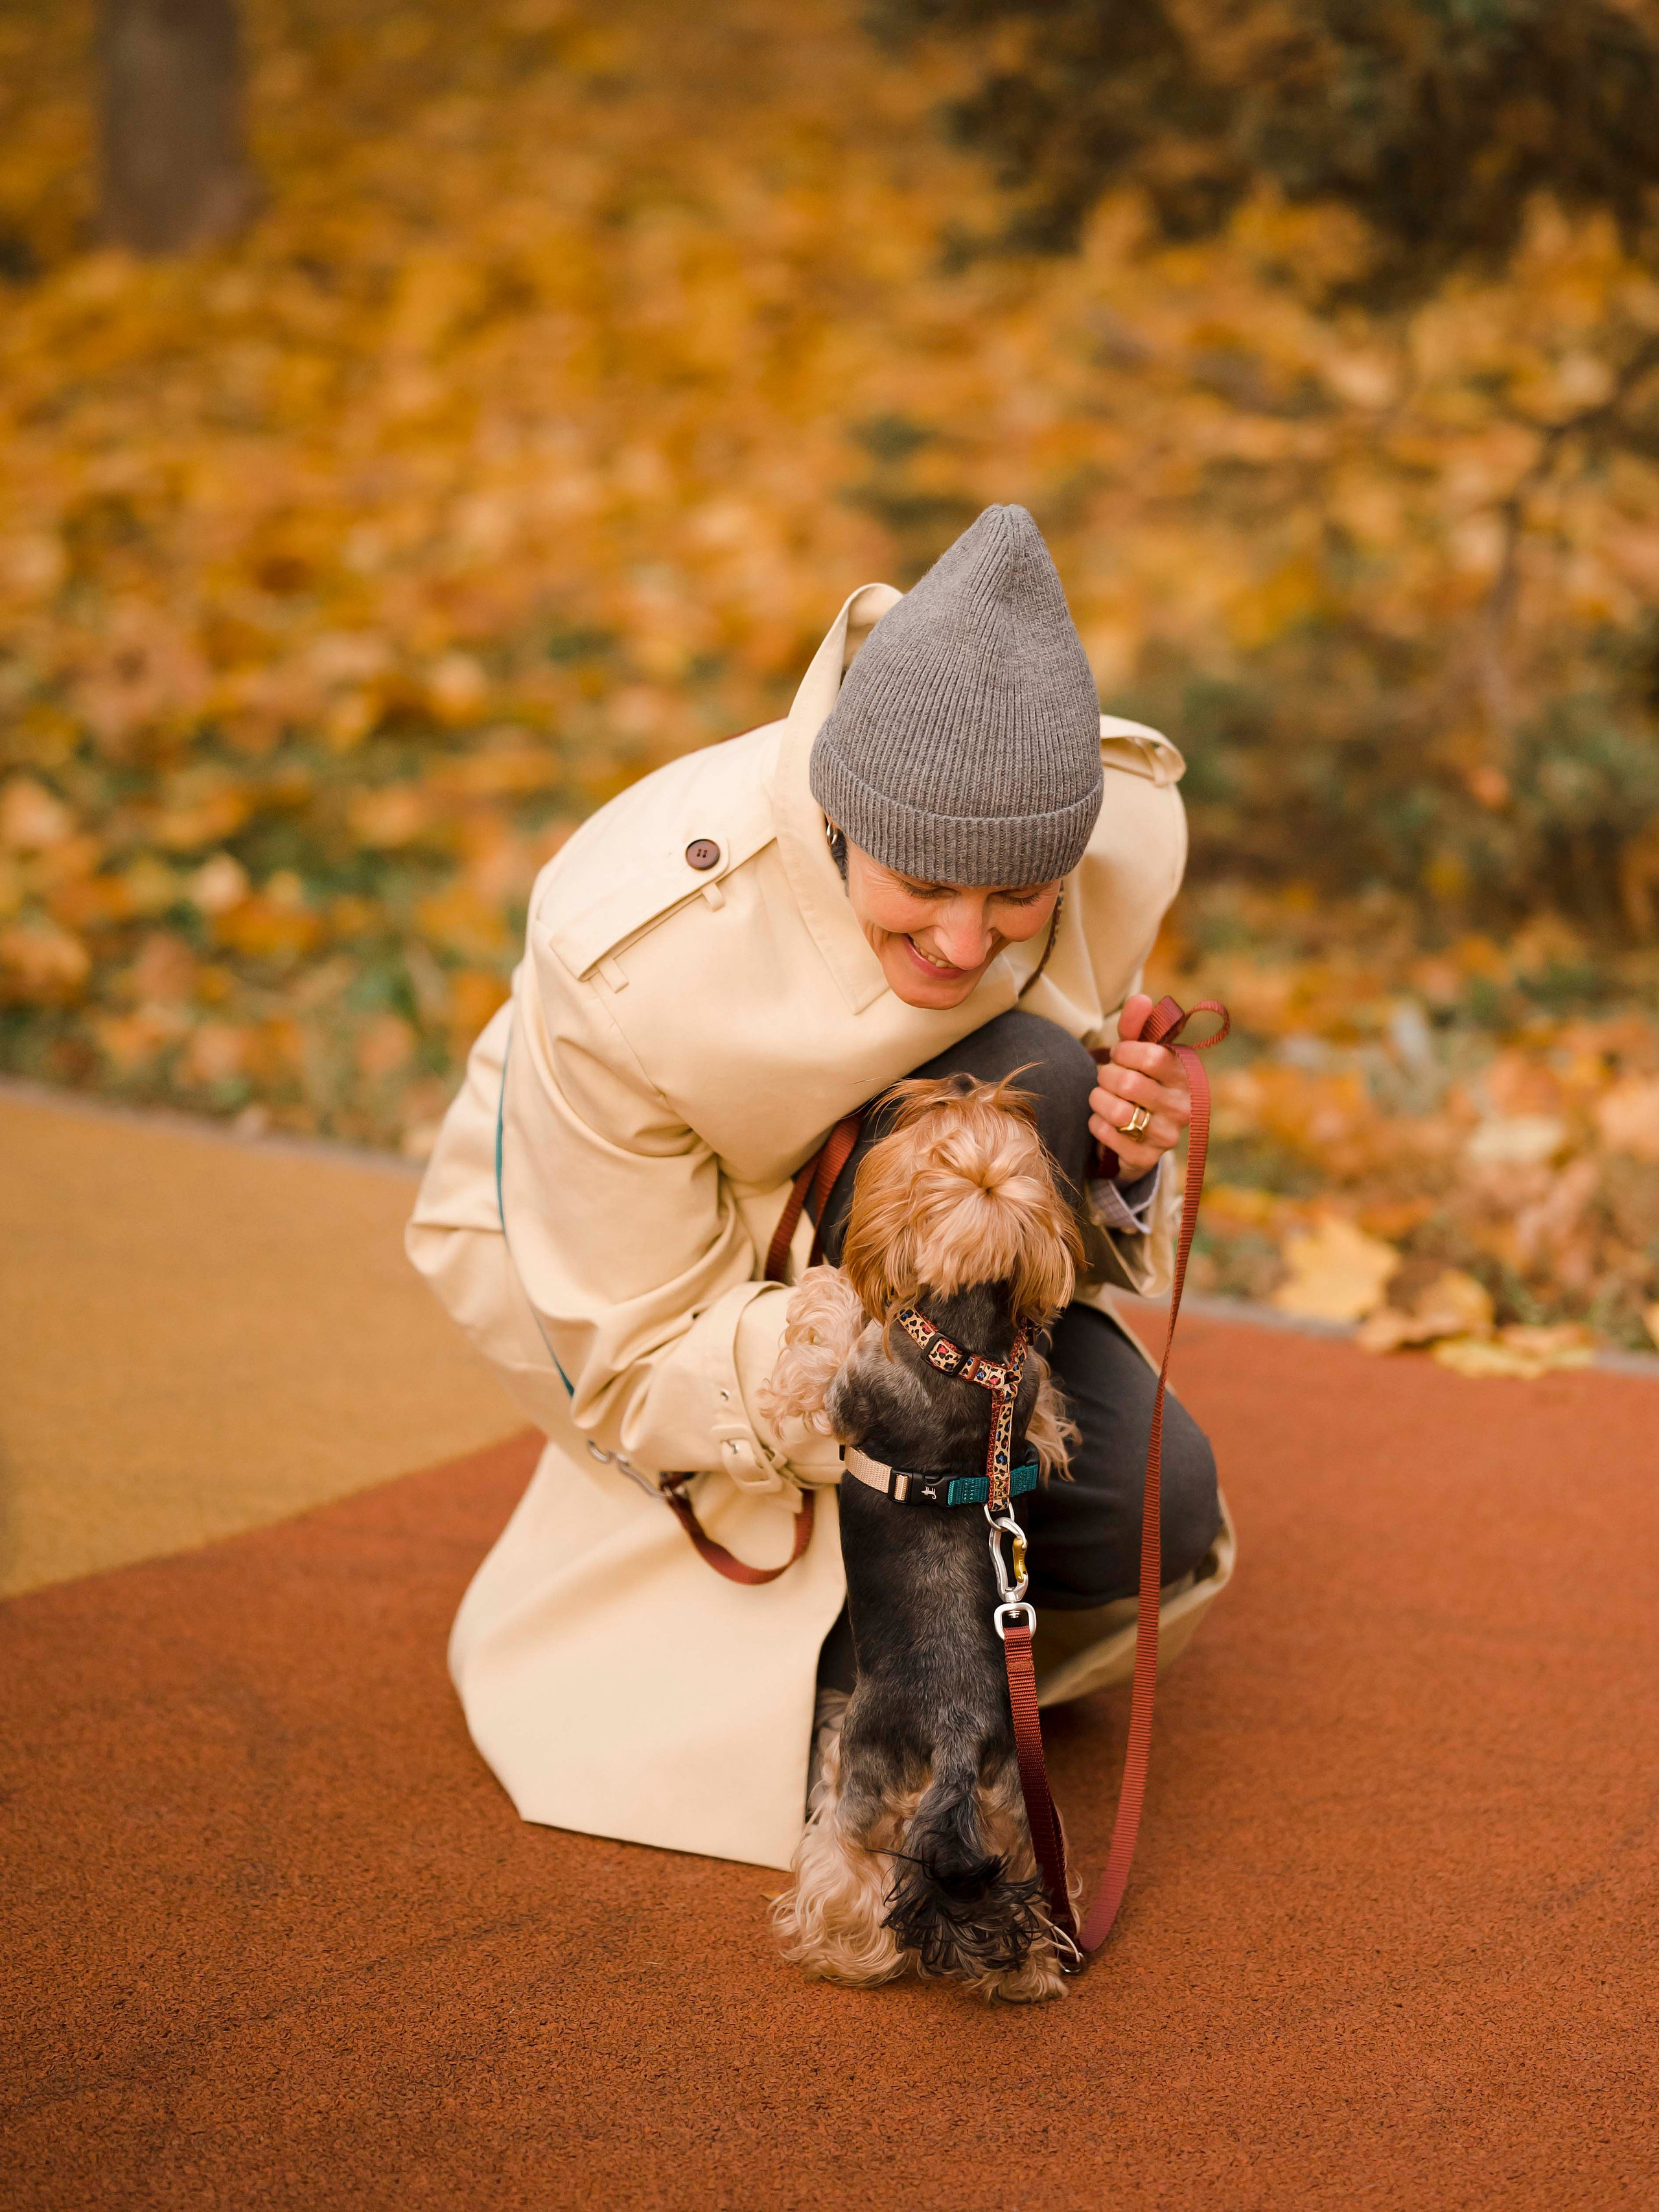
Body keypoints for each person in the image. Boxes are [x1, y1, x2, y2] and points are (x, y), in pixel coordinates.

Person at [408, 505, 1235, 1872]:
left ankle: (921, 1605)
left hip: (882, 1207)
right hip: (622, 1269)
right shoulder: (629, 952)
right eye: (919, 886)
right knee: (906, 1389)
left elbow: (1050, 1075)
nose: (964, 941)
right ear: (836, 819)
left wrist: (1121, 1164)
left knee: (1158, 1506)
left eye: (1015, 897)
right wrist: (863, 1372)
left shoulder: (1116, 838)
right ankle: (864, 1658)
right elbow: (624, 1355)